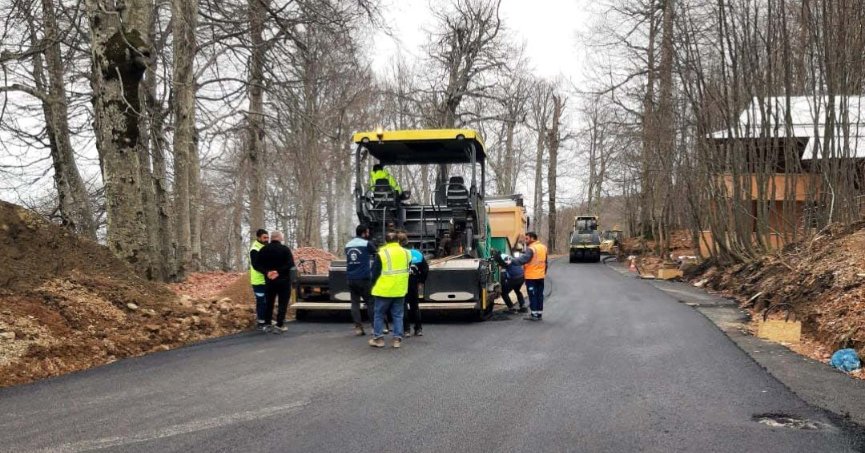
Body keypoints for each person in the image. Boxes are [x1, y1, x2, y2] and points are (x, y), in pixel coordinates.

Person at [368, 231, 411, 348]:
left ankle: (379, 339)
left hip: (384, 290)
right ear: (398, 240)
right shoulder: (406, 253)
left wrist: (372, 285)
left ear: (386, 241)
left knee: (379, 314)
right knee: (398, 315)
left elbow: (374, 273)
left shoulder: (382, 253)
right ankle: (397, 340)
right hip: (400, 289)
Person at [255, 231, 295, 333]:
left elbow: (256, 265)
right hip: (283, 281)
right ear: (279, 237)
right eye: (282, 236)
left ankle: (268, 324)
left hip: (269, 281)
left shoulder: (263, 249)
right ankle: (279, 325)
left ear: (271, 238)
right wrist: (278, 271)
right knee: (282, 303)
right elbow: (290, 264)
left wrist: (267, 272)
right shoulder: (285, 249)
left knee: (269, 302)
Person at [345, 224, 377, 336]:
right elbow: (376, 255)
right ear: (364, 233)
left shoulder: (348, 245)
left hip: (351, 277)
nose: (368, 234)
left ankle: (358, 328)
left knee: (355, 303)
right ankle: (375, 328)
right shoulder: (367, 243)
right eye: (367, 232)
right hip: (364, 278)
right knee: (370, 302)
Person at [512, 232, 548, 321]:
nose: (525, 240)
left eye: (527, 239)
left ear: (532, 238)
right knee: (539, 295)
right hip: (540, 276)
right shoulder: (543, 247)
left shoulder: (531, 248)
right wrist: (543, 273)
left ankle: (534, 314)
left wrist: (511, 260)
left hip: (531, 277)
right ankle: (539, 314)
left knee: (532, 295)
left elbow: (523, 260)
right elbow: (546, 263)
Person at [401, 235, 428, 337]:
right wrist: (420, 281)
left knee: (403, 307)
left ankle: (406, 330)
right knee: (415, 307)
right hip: (413, 283)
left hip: (401, 283)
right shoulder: (417, 253)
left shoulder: (399, 254)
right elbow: (425, 269)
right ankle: (418, 329)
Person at [249, 229, 270, 330]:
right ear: (258, 237)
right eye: (264, 237)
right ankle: (261, 322)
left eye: (267, 237)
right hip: (258, 280)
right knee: (261, 301)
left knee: (268, 301)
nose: (266, 239)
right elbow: (256, 265)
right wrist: (267, 272)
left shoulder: (266, 246)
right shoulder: (255, 249)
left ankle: (267, 320)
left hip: (267, 279)